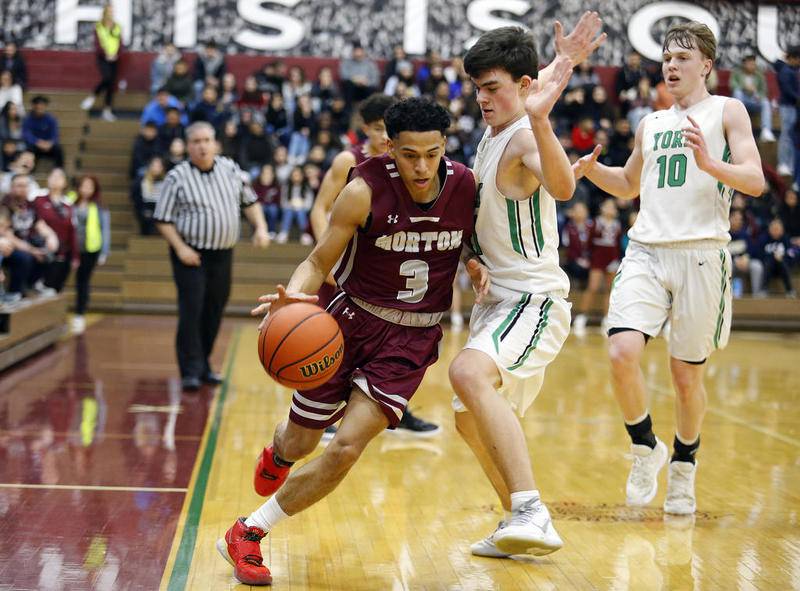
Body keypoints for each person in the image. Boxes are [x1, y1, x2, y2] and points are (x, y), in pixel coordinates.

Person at [217, 98, 487, 586]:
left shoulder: (467, 186)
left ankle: (248, 533)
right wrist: (295, 297)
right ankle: (278, 453)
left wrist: (473, 262)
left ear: (444, 146)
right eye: (409, 155)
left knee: (343, 449)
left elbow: (469, 240)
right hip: (348, 323)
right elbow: (318, 263)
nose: (422, 166)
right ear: (389, 147)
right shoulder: (363, 190)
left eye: (431, 153)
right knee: (300, 441)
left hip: (411, 340)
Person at [574, 22, 764, 515]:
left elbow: (756, 180)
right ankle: (644, 446)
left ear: (706, 65)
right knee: (620, 350)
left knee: (685, 378)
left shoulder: (728, 111)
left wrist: (711, 164)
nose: (672, 65)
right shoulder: (651, 122)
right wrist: (593, 170)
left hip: (702, 252)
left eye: (683, 57)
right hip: (647, 249)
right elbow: (628, 184)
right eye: (667, 58)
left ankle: (684, 463)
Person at [447, 12, 605, 559]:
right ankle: (516, 518)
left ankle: (532, 510)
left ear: (520, 88)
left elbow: (561, 187)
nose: (482, 98)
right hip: (496, 301)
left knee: (466, 372)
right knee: (468, 420)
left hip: (534, 300)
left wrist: (541, 120)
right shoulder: (493, 133)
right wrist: (471, 256)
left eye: (492, 89)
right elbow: (534, 81)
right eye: (477, 89)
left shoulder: (522, 136)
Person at [308, 92, 440, 436]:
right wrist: (332, 262)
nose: (384, 137)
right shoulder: (346, 161)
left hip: (386, 267)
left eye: (389, 130)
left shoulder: (409, 167)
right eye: (379, 129)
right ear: (365, 128)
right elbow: (319, 210)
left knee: (397, 344)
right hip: (345, 268)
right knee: (332, 344)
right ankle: (323, 415)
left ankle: (396, 411)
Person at [153, 122, 270, 391]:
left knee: (215, 309)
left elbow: (250, 202)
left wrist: (261, 228)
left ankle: (203, 363)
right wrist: (181, 248)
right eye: (196, 141)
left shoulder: (230, 170)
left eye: (207, 140)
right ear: (188, 145)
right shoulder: (177, 177)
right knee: (192, 310)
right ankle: (190, 370)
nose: (203, 146)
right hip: (191, 255)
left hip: (223, 254)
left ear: (215, 143)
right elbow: (162, 219)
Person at [572, 197, 622, 336]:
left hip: (612, 259)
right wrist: (589, 258)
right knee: (592, 288)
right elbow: (588, 243)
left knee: (609, 290)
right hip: (597, 259)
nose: (610, 209)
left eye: (613, 207)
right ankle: (582, 316)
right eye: (608, 206)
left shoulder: (617, 225)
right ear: (602, 208)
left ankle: (607, 319)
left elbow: (617, 244)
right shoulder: (595, 223)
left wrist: (616, 259)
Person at [69, 175, 110, 333]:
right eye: (83, 185)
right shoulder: (70, 200)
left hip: (90, 249)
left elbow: (105, 230)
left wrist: (104, 252)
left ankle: (80, 313)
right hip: (70, 248)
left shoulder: (99, 206)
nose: (86, 189)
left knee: (83, 281)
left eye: (90, 186)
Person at [33, 168, 78, 292]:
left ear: (65, 183)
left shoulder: (68, 204)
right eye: (52, 176)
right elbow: (35, 221)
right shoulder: (38, 198)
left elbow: (72, 231)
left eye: (59, 177)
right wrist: (49, 236)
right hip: (40, 247)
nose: (55, 179)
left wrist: (75, 256)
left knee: (56, 287)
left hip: (62, 253)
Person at [80, 4, 123, 122]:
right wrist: (106, 55)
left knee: (111, 84)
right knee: (106, 78)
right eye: (109, 11)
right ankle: (92, 96)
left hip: (115, 59)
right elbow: (97, 44)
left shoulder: (117, 26)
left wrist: (116, 55)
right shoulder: (99, 26)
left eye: (112, 11)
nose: (111, 13)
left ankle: (107, 110)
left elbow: (120, 43)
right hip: (103, 58)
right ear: (104, 12)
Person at [22, 95, 64, 169]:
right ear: (34, 106)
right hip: (35, 146)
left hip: (48, 146)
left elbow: (55, 134)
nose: (40, 108)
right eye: (38, 106)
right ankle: (29, 171)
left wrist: (50, 143)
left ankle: (59, 170)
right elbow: (26, 134)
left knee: (58, 149)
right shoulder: (27, 119)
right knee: (28, 150)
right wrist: (37, 142)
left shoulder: (51, 119)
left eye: (42, 106)